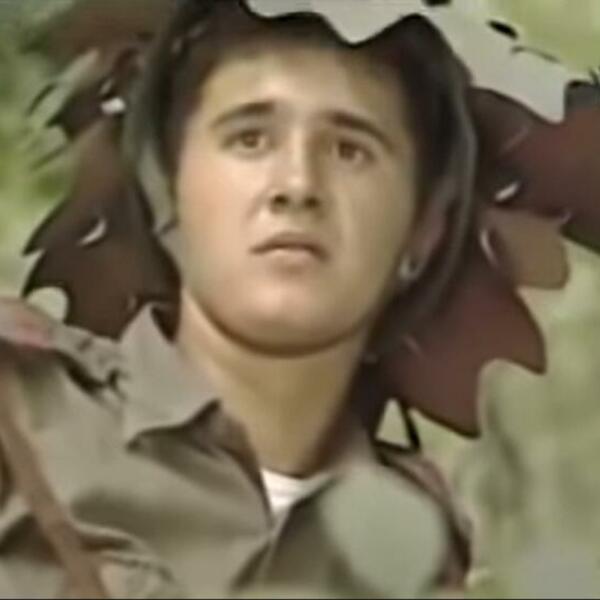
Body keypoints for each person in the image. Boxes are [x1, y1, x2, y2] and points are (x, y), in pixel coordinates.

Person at [2, 1, 600, 598]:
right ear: (168, 194)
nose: (297, 185)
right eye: (249, 139)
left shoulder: (419, 549)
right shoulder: (24, 414)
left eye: (349, 150)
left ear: (424, 228)